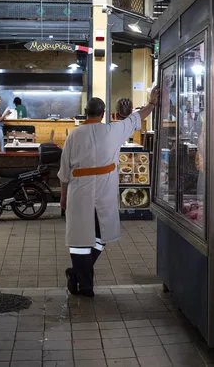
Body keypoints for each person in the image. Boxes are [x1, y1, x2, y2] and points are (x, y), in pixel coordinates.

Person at [58, 86, 160, 297]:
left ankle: (78, 276)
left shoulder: (74, 135)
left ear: (86, 112)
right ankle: (84, 285)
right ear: (103, 113)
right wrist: (152, 102)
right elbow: (136, 117)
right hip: (104, 191)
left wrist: (63, 196)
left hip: (79, 192)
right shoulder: (112, 131)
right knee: (99, 236)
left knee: (79, 240)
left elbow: (64, 171)